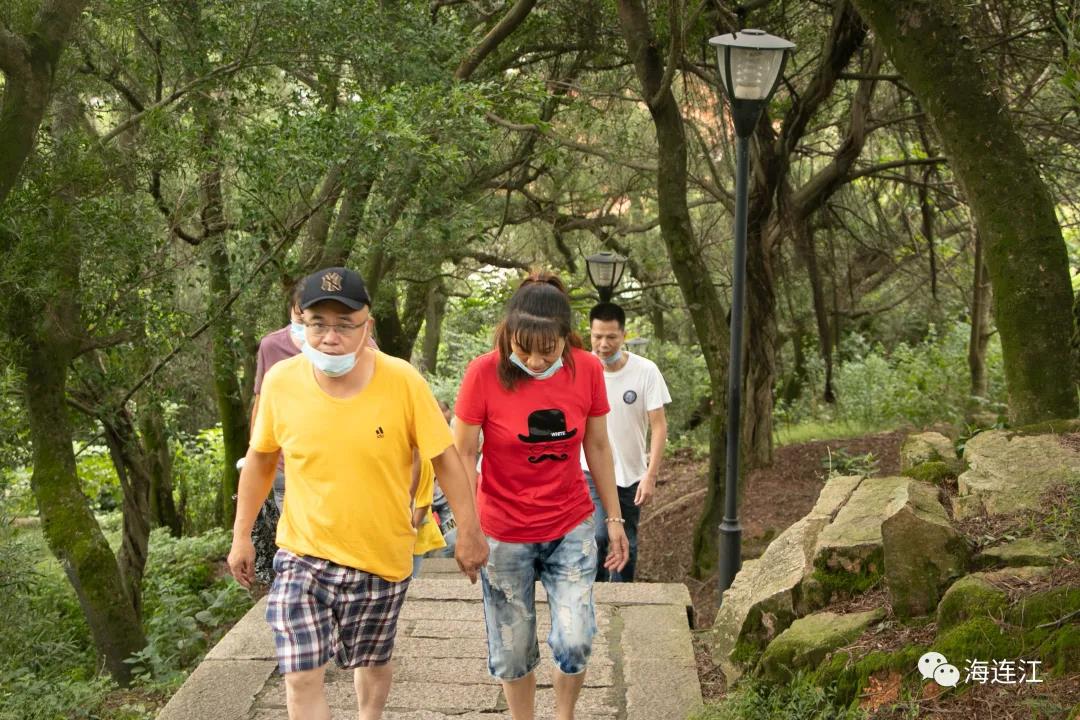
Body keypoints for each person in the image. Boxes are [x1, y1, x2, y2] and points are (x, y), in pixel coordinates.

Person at [228, 266, 488, 720]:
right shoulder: (281, 381)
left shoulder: (402, 380)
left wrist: (469, 532)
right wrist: (241, 535)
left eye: (345, 325)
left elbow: (445, 458)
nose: (331, 337)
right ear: (299, 324)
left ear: (367, 325)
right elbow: (261, 460)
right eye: (318, 324)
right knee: (301, 674)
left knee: (372, 659)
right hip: (303, 552)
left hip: (379, 556)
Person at [453, 272, 628, 720]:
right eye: (522, 347)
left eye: (546, 350)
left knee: (576, 638)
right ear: (508, 332)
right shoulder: (482, 373)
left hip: (569, 523)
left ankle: (563, 715)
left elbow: (599, 446)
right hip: (503, 532)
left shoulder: (586, 368)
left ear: (565, 339)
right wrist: (468, 531)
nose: (532, 360)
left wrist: (615, 518)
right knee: (512, 650)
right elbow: (462, 455)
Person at [583, 302, 671, 583]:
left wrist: (650, 475)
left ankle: (621, 601)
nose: (603, 344)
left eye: (611, 337)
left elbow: (659, 426)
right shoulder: (581, 370)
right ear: (590, 335)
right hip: (590, 471)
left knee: (627, 543)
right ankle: (593, 597)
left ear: (623, 335)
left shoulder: (645, 371)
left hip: (631, 475)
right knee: (597, 535)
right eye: (598, 337)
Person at [247, 285, 305, 585]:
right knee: (294, 535)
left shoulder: (354, 341)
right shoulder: (272, 346)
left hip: (337, 463)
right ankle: (297, 588)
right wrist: (253, 452)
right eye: (301, 315)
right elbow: (260, 402)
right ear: (292, 312)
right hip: (285, 462)